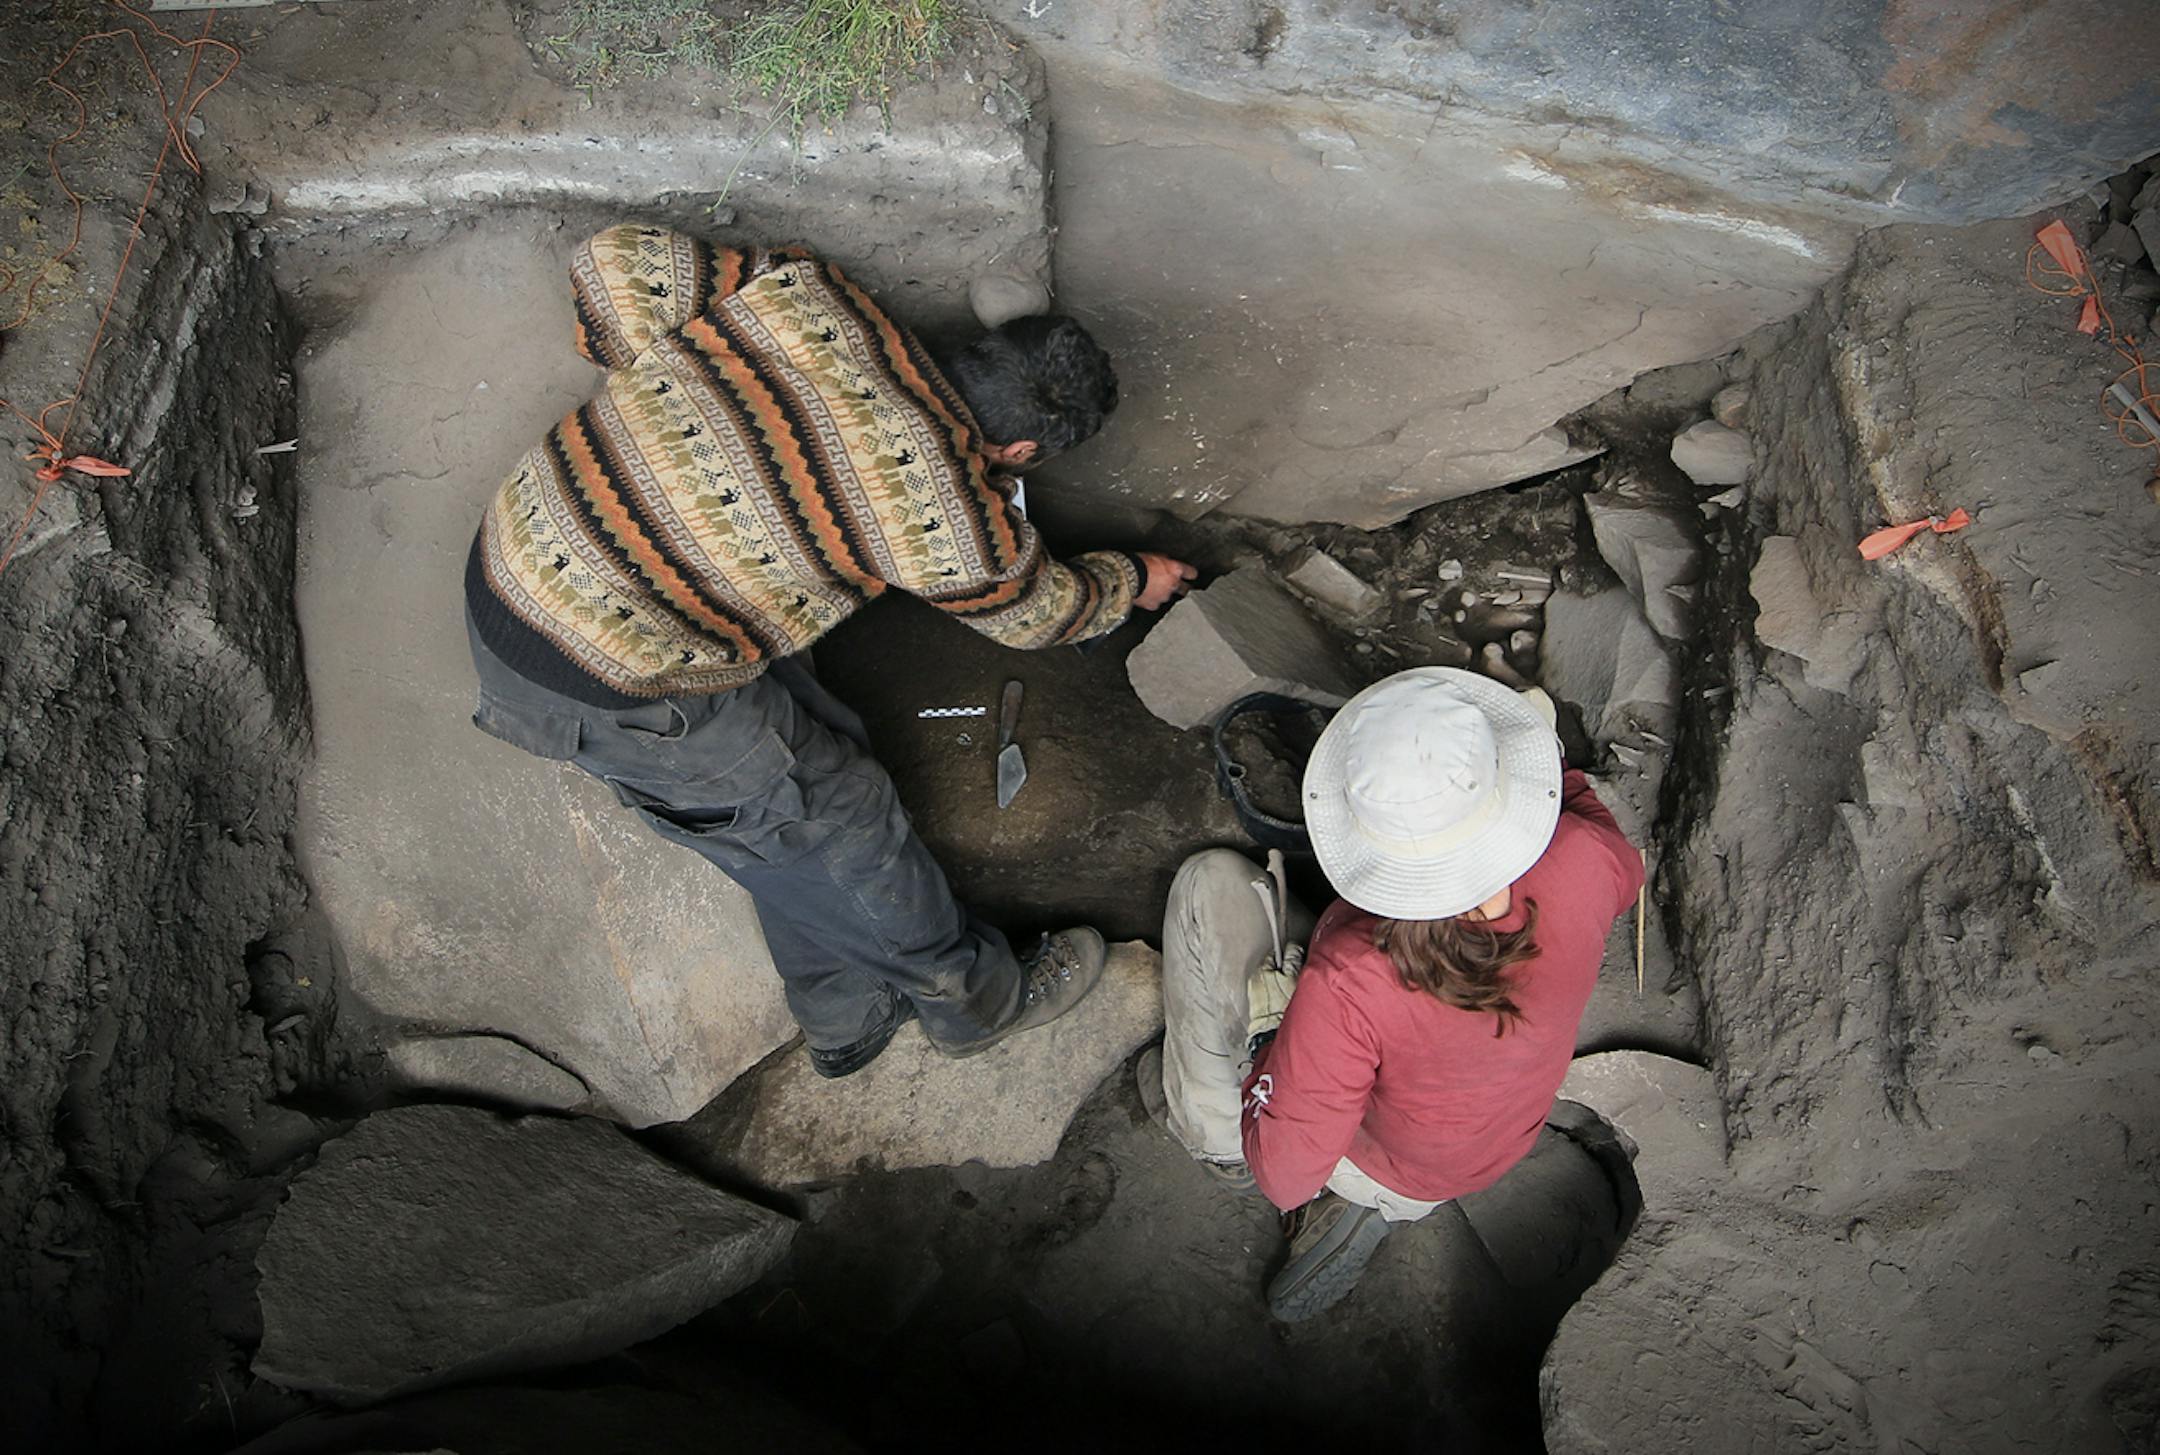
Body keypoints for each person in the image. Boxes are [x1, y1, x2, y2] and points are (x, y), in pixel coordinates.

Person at [463, 224, 1195, 1080]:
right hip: (594, 678)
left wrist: (670, 402)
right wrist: (1129, 576)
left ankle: (843, 1014)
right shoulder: (942, 509)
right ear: (1021, 453)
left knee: (802, 765)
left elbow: (611, 259)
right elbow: (1040, 613)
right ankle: (974, 1002)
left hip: (516, 547)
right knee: (838, 820)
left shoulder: (816, 298)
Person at [1153, 666, 1643, 1320]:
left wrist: (1271, 1041)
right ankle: (1381, 1207)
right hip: (1493, 1140)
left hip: (1370, 1153)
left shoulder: (1355, 973)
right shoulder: (1587, 853)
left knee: (1206, 882)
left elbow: (1285, 1175)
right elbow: (1596, 836)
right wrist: (1533, 744)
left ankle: (1223, 1137)